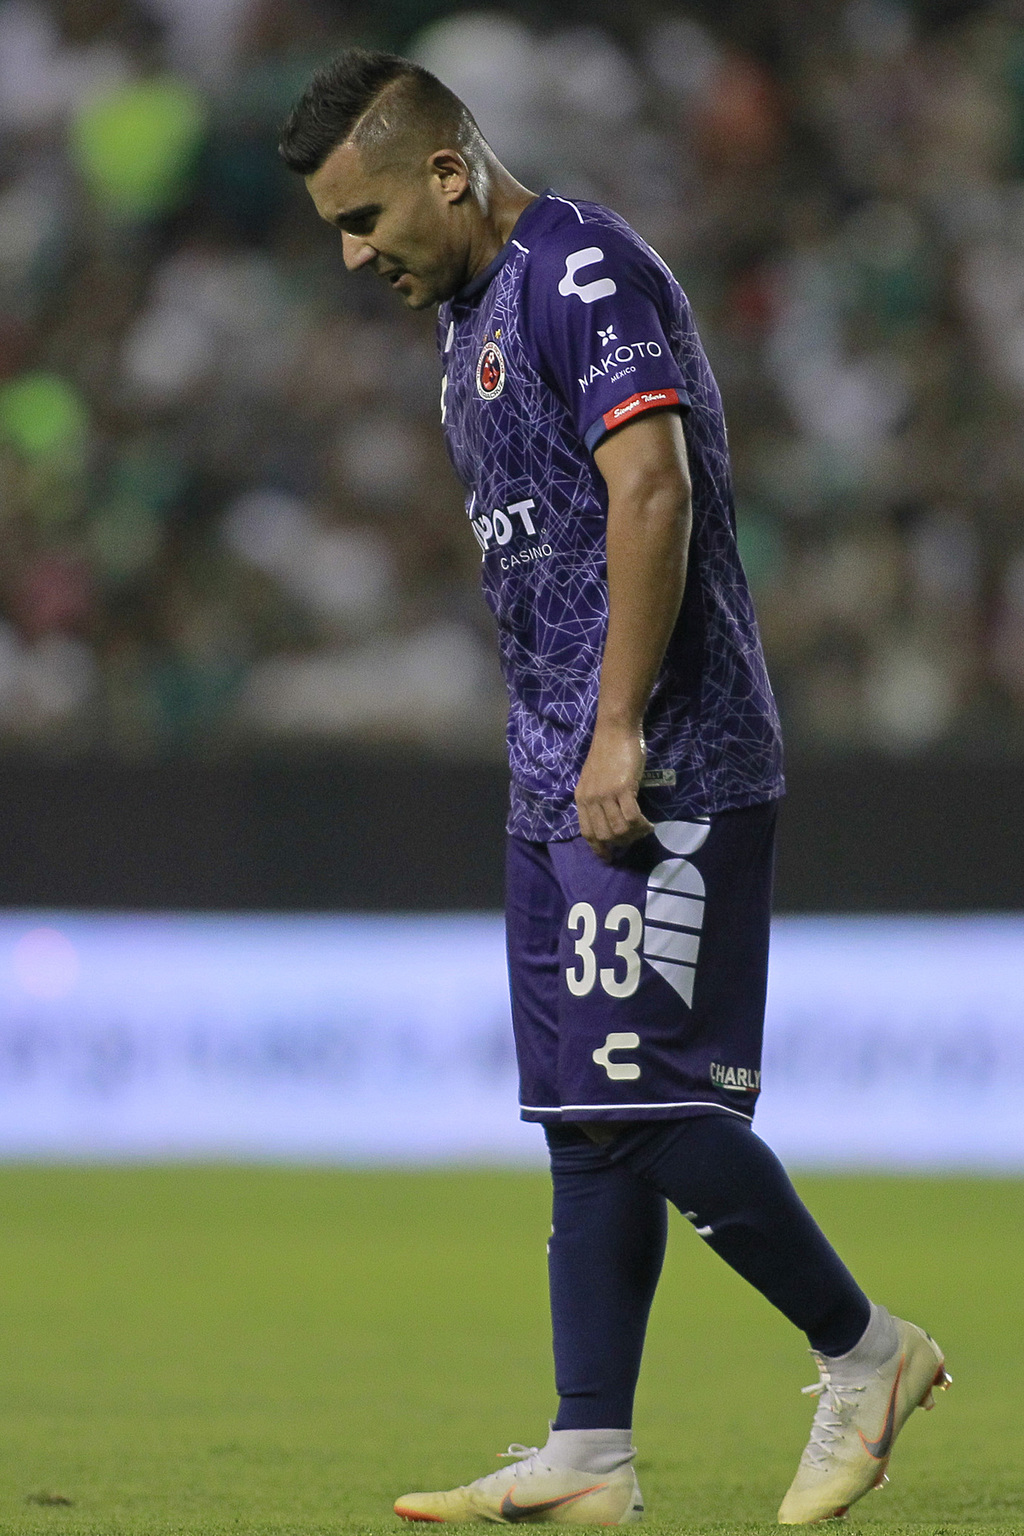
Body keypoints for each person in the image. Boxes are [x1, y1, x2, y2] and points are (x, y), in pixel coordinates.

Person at [278, 49, 949, 1527]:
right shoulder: (465, 321)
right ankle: (590, 1450)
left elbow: (653, 486)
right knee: (584, 1122)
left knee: (644, 1106)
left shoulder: (580, 272)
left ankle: (866, 1351)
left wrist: (618, 729)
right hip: (556, 775)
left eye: (366, 218)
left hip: (666, 757)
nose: (354, 256)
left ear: (447, 170)